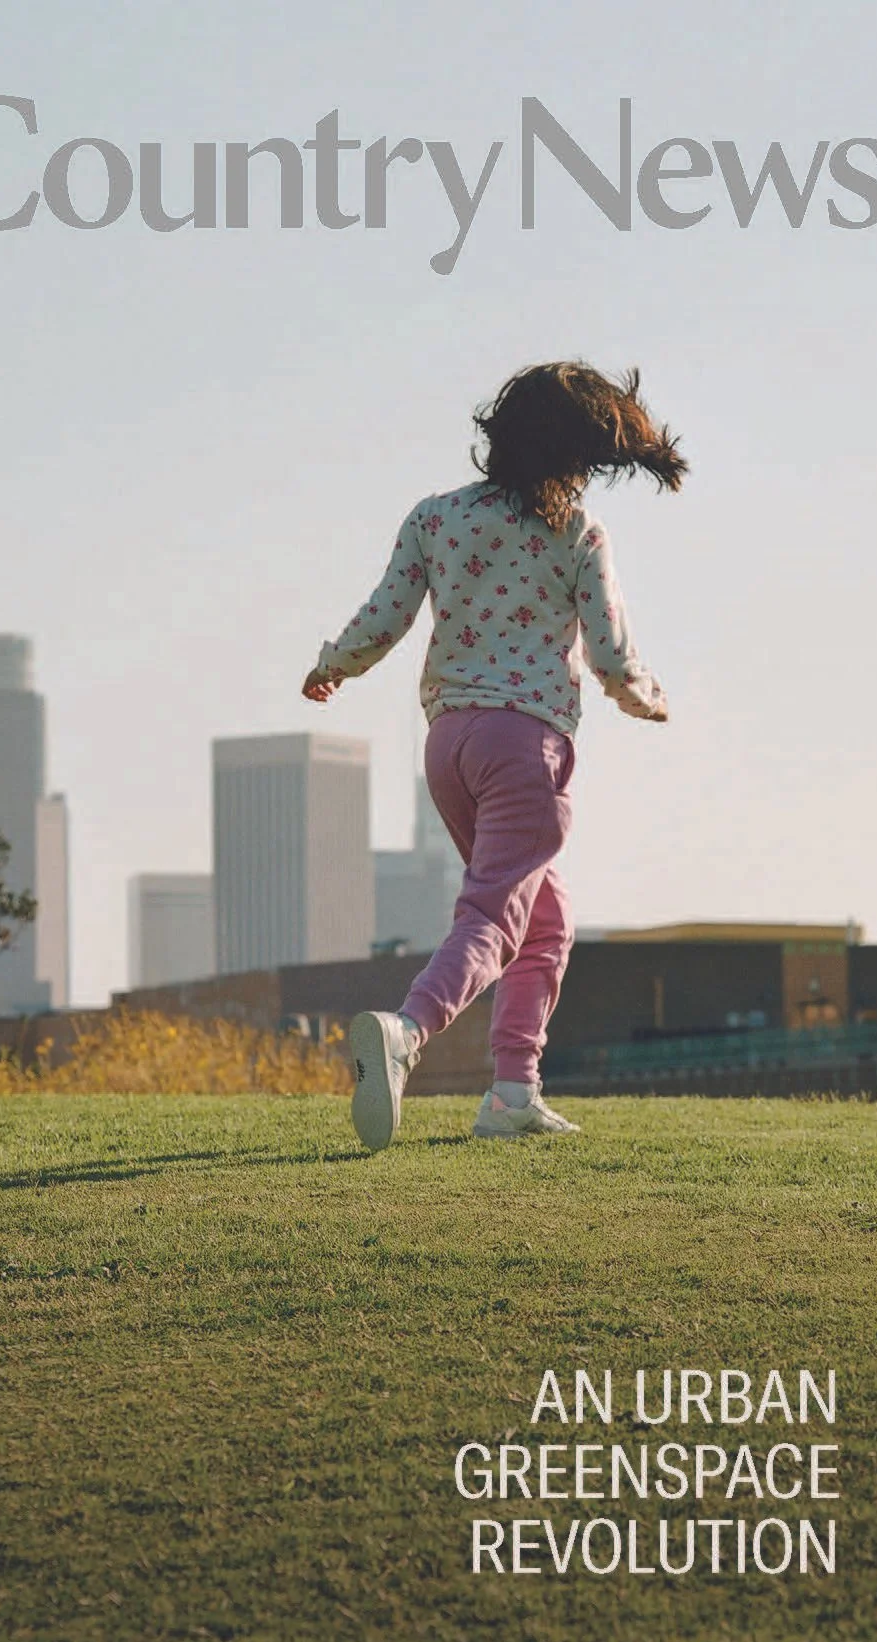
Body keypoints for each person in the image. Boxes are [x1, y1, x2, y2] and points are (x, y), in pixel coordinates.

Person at [302, 362, 686, 1149]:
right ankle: (408, 1030)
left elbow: (386, 615)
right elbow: (611, 655)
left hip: (449, 746)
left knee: (543, 921)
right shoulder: (577, 532)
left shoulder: (436, 517)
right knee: (491, 917)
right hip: (524, 745)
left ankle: (513, 1093)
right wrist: (646, 697)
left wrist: (333, 664)